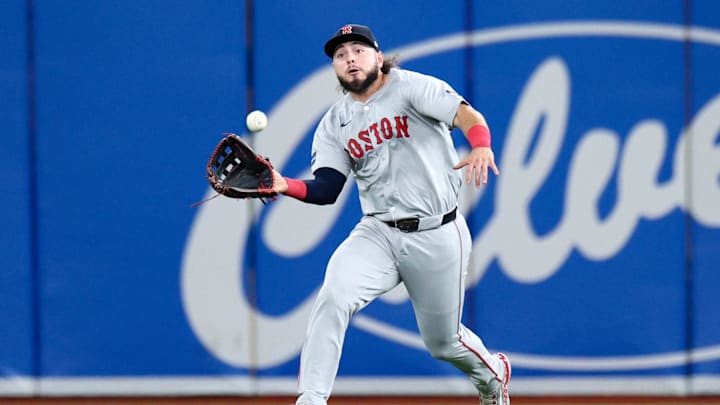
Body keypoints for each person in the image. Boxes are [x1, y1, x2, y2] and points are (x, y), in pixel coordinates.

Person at [270, 24, 510, 405]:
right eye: (340, 54)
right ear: (334, 68)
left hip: (437, 231)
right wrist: (285, 184)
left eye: (358, 50)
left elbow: (466, 115)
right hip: (378, 231)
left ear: (378, 58)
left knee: (444, 343)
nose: (350, 58)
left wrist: (481, 145)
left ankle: (493, 376)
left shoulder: (411, 87)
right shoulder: (334, 124)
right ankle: (311, 399)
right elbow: (327, 188)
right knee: (333, 296)